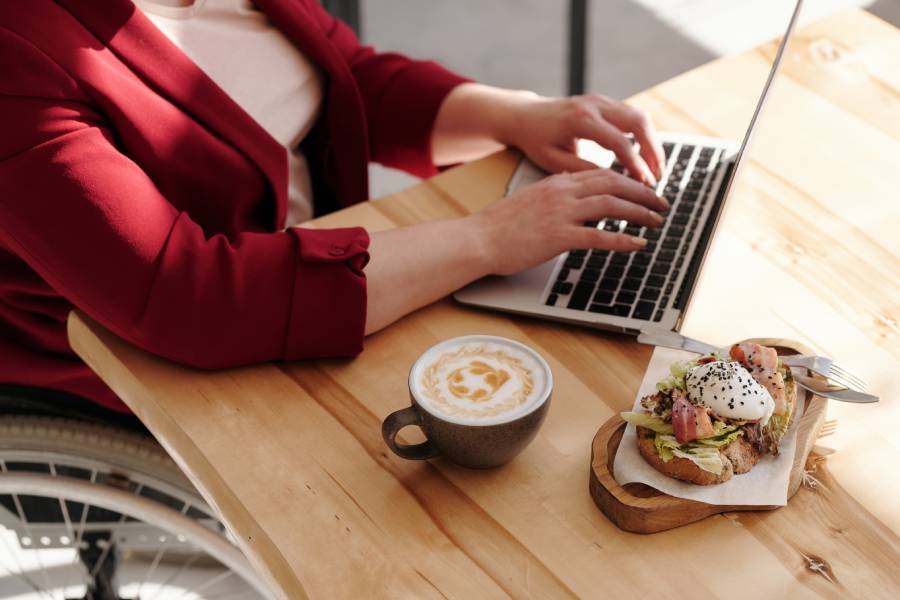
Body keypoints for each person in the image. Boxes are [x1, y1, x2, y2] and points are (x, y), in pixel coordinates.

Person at [0, 0, 669, 413]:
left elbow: (340, 80)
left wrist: (517, 115)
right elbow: (187, 297)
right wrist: (487, 240)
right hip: (175, 362)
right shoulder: (18, 51)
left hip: (330, 288)